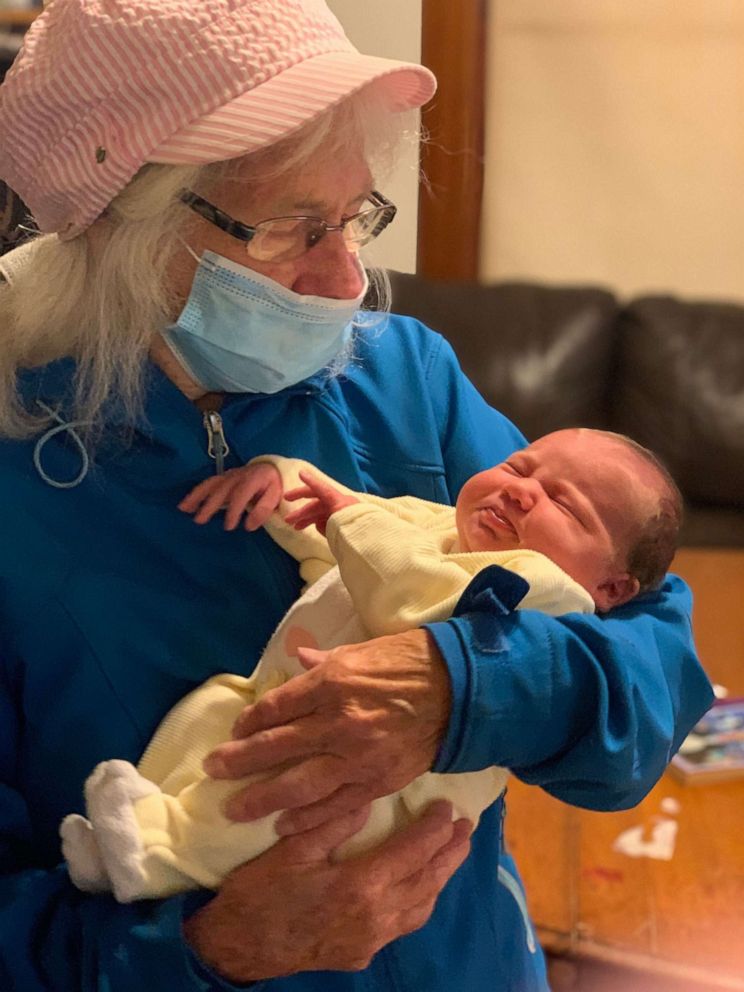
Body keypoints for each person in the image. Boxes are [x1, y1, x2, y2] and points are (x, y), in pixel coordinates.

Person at [0, 1, 713, 990]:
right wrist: (205, 951)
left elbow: (648, 655)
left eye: (354, 217)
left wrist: (469, 688)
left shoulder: (403, 379)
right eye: (296, 229)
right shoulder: (19, 482)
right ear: (124, 224)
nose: (346, 281)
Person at [59, 428, 684, 903]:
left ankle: (159, 857)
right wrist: (284, 483)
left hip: (383, 803)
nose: (520, 488)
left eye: (565, 506)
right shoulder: (450, 527)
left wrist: (348, 522)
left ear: (612, 589)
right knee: (218, 710)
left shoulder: (545, 590)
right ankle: (148, 812)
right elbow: (355, 516)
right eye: (519, 466)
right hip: (284, 699)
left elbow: (400, 588)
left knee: (274, 807)